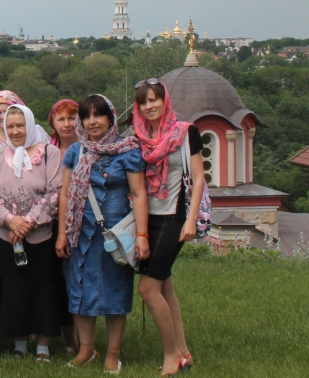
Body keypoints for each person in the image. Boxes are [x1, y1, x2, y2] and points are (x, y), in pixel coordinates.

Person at [55, 94, 149, 374]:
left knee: (115, 291)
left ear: (110, 118)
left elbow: (139, 193)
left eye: (98, 115)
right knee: (80, 291)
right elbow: (64, 194)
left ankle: (113, 352)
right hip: (80, 234)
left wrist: (142, 235)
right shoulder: (76, 151)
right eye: (86, 116)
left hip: (116, 236)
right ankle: (86, 349)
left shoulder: (128, 151)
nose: (92, 121)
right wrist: (62, 233)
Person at [133, 80, 205, 375]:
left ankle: (170, 355)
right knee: (165, 286)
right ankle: (184, 352)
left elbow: (199, 178)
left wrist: (191, 220)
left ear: (165, 101)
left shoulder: (186, 132)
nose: (149, 106)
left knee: (148, 289)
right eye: (143, 102)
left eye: (154, 100)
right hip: (148, 218)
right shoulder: (138, 136)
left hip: (174, 218)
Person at [0, 104, 63, 361]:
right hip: (5, 235)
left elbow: (55, 192)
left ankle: (42, 346)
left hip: (40, 235)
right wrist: (10, 220)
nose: (16, 131)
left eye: (20, 125)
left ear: (30, 125)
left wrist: (27, 222)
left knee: (42, 287)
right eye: (11, 126)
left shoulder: (50, 153)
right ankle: (19, 344)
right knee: (14, 288)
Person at [47, 98, 81, 354]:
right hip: (52, 223)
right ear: (53, 123)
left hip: (83, 222)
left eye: (72, 118)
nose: (67, 124)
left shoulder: (88, 148)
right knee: (59, 281)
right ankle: (70, 339)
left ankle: (83, 338)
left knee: (78, 279)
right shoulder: (46, 151)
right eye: (62, 119)